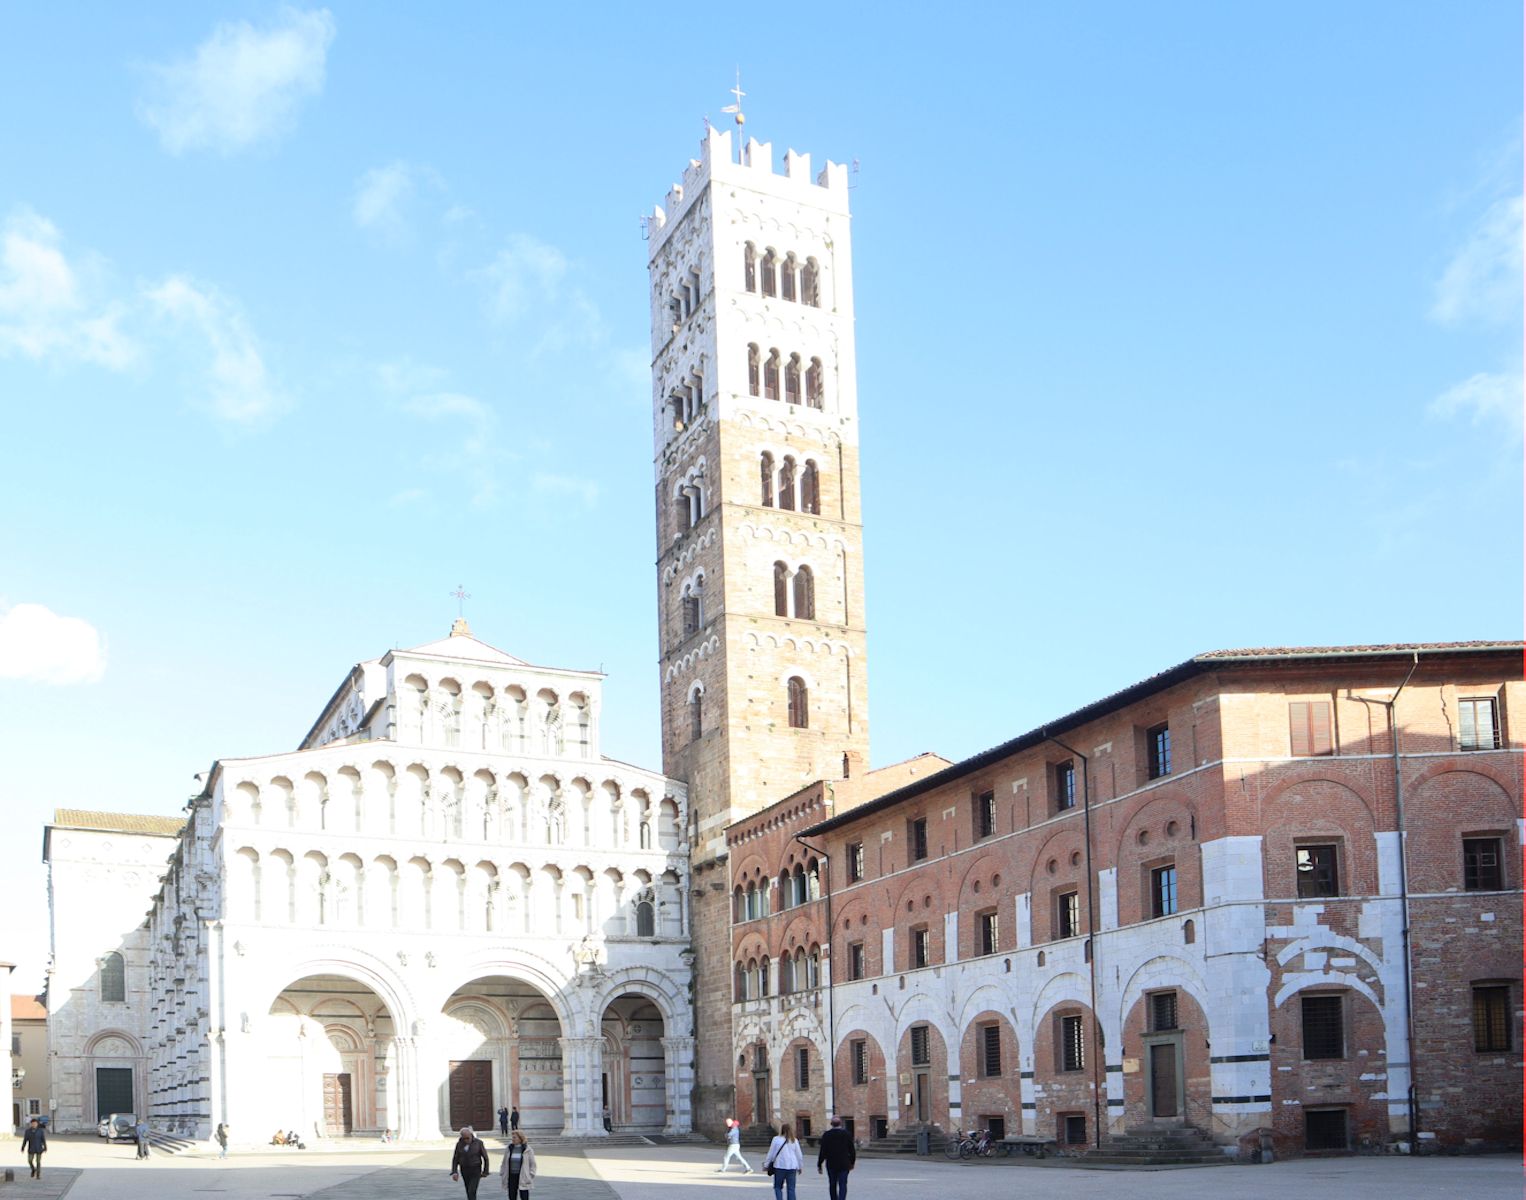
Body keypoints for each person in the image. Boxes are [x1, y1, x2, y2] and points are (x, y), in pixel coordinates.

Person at [817, 1116, 856, 1200]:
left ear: (831, 1124)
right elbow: (852, 1150)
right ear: (840, 1123)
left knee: (832, 1184)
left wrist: (819, 1164)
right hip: (844, 1163)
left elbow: (823, 1151)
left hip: (831, 1163)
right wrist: (852, 1162)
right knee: (843, 1184)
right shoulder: (847, 1134)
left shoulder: (826, 1135)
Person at [762, 1122, 804, 1200]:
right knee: (791, 1189)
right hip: (792, 1166)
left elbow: (771, 1153)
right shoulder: (794, 1140)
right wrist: (800, 1166)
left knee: (778, 1187)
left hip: (779, 1166)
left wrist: (766, 1165)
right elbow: (799, 1155)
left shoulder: (776, 1139)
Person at [450, 1125, 491, 1200]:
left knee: (471, 1190)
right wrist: (454, 1172)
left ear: (471, 1135)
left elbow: (485, 1158)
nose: (466, 1140)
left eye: (467, 1138)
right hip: (464, 1169)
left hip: (475, 1169)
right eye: (464, 1138)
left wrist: (485, 1171)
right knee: (468, 1189)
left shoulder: (478, 1143)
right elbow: (455, 1158)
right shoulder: (459, 1144)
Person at [498, 1129, 537, 1199]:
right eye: (512, 1137)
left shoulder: (527, 1149)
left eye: (514, 1137)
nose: (513, 1139)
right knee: (512, 1196)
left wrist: (531, 1174)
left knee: (524, 1196)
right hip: (511, 1176)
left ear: (520, 1138)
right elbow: (504, 1162)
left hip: (523, 1175)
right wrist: (502, 1172)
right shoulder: (509, 1148)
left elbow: (533, 1164)